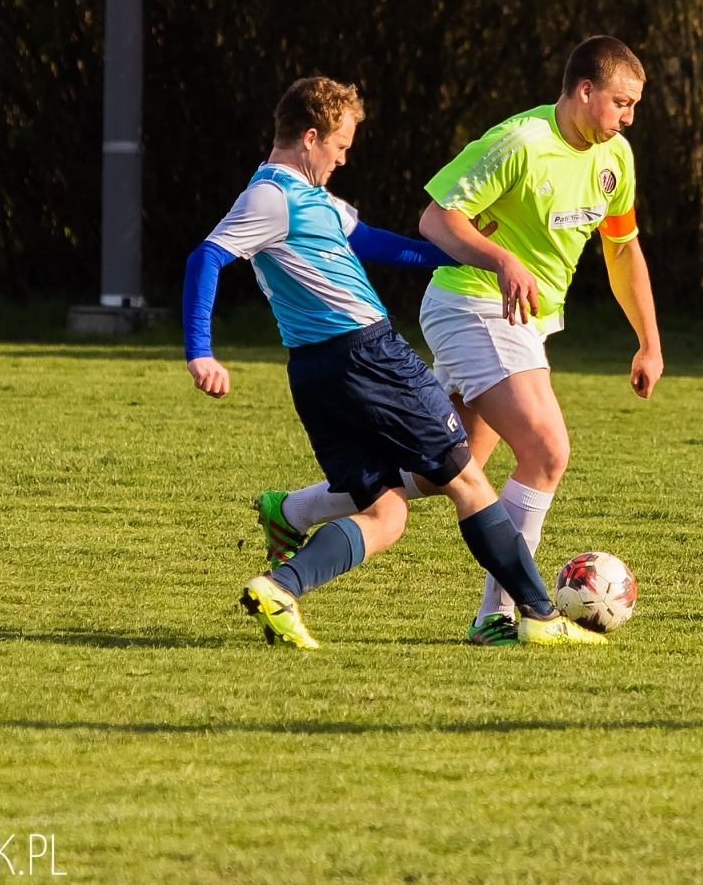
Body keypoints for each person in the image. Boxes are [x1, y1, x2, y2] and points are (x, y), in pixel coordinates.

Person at [252, 36, 663, 646]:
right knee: (547, 451)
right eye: (621, 103)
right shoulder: (519, 143)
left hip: (526, 318)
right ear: (585, 91)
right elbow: (435, 219)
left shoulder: (616, 158)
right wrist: (501, 260)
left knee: (448, 466)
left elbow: (623, 248)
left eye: (633, 106)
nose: (629, 117)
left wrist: (648, 342)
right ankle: (510, 615)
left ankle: (295, 510)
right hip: (475, 304)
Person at [182, 75, 606, 648]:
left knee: (387, 514)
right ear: (310, 137)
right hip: (368, 356)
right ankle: (535, 614)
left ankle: (280, 587)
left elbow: (376, 242)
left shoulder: (315, 200)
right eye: (340, 146)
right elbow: (204, 257)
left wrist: (463, 255)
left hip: (314, 372)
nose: (343, 158)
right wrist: (200, 352)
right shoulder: (271, 197)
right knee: (468, 480)